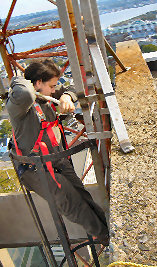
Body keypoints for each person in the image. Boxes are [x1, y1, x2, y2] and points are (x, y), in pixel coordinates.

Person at [6, 59, 109, 245]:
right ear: (37, 83)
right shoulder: (19, 106)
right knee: (72, 204)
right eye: (51, 86)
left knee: (83, 196)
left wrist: (67, 97)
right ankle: (106, 238)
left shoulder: (45, 96)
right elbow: (24, 92)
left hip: (56, 161)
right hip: (36, 169)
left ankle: (109, 228)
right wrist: (18, 78)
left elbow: (74, 88)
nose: (54, 90)